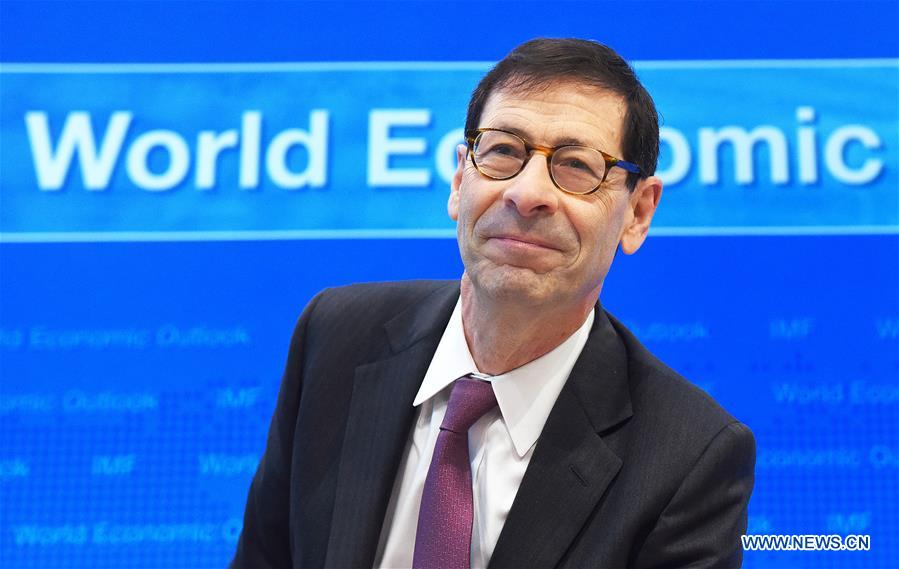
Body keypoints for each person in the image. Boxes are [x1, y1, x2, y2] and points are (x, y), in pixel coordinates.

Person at [232, 38, 755, 569]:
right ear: (461, 179)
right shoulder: (335, 338)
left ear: (638, 213)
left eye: (577, 165)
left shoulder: (688, 458)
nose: (527, 194)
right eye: (504, 151)